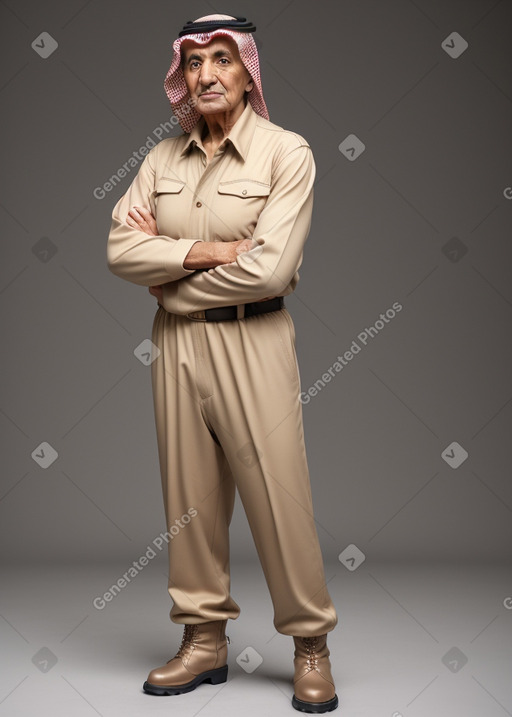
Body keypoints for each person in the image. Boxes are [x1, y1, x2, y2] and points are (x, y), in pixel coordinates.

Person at [106, 13, 339, 713]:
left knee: (279, 499)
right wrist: (206, 252)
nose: (207, 75)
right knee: (190, 501)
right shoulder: (160, 159)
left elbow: (270, 273)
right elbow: (120, 248)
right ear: (182, 74)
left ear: (248, 71)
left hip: (254, 341)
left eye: (222, 60)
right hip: (178, 351)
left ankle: (311, 646)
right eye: (195, 62)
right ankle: (203, 639)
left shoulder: (286, 152)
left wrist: (169, 277)